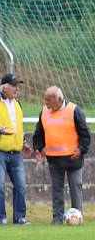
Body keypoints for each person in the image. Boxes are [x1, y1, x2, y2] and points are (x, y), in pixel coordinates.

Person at [33, 86, 91, 224]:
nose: (46, 103)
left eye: (49, 100)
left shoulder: (74, 111)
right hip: (53, 159)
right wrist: (37, 148)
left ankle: (77, 216)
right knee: (57, 189)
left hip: (73, 158)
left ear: (59, 99)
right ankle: (57, 218)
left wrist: (81, 149)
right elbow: (39, 133)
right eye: (45, 100)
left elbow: (85, 134)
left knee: (75, 187)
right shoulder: (44, 112)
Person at [0, 74, 31, 225]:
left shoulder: (17, 104)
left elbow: (18, 126)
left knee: (21, 185)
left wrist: (23, 142)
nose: (17, 89)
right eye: (14, 85)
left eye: (18, 86)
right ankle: (1, 218)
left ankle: (20, 217)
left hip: (16, 152)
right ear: (4, 87)